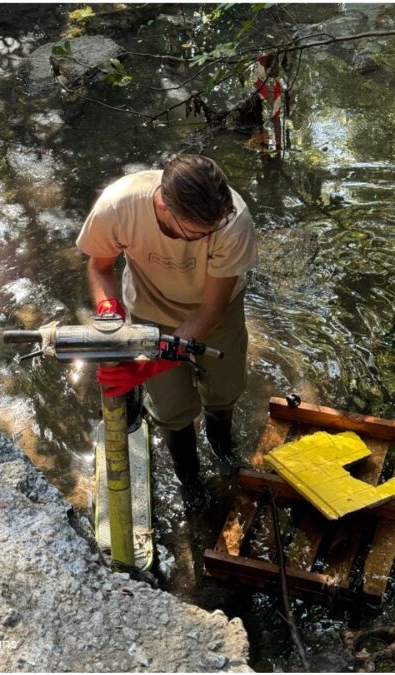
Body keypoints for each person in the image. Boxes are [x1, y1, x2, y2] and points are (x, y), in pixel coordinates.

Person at [76, 154, 259, 505]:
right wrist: (110, 314)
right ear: (163, 206)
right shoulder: (119, 206)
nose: (207, 237)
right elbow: (99, 267)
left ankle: (222, 446)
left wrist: (152, 363)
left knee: (224, 388)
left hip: (217, 310)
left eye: (211, 230)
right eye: (197, 233)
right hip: (150, 307)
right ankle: (188, 478)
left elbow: (210, 311)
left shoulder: (232, 221)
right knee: (171, 407)